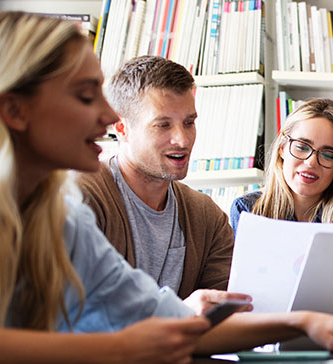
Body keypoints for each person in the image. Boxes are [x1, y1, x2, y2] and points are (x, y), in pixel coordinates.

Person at [0, 12, 333, 364]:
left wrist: (304, 322)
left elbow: (165, 320)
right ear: (15, 109)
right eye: (86, 97)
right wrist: (118, 350)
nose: (104, 118)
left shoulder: (56, 214)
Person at [78, 55, 246, 315]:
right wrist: (177, 315)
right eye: (163, 125)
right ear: (122, 129)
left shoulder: (206, 216)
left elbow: (231, 312)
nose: (182, 140)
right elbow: (78, 316)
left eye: (189, 123)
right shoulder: (81, 196)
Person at [229, 98, 333, 229]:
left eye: (328, 155)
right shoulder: (248, 210)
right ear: (282, 148)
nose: (311, 162)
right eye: (301, 147)